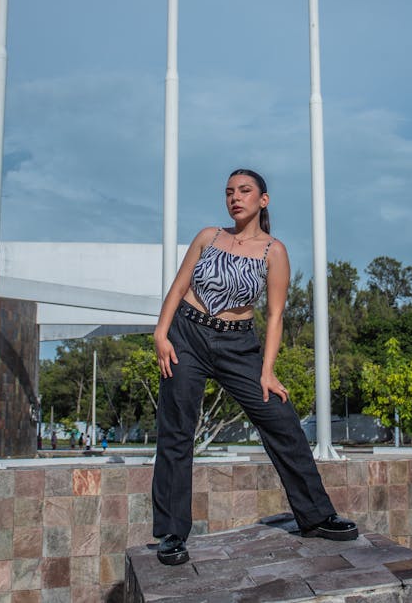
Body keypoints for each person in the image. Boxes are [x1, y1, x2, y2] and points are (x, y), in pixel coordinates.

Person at [152, 168, 358, 566]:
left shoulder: (273, 251)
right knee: (176, 432)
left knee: (281, 418)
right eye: (229, 191)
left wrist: (267, 370)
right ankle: (172, 533)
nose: (235, 198)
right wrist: (161, 334)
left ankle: (316, 515)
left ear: (263, 200)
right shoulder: (208, 236)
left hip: (237, 344)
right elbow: (179, 287)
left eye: (245, 191)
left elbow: (275, 316)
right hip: (187, 338)